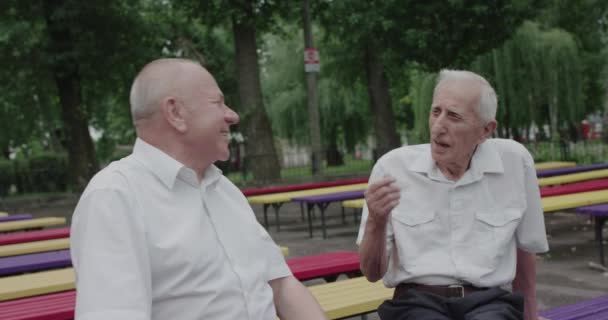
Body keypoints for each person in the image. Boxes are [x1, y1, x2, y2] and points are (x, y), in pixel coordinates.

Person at [70, 58, 327, 320]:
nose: (233, 115)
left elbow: (281, 285)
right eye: (218, 103)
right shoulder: (114, 196)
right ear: (175, 113)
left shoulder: (223, 189)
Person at [357, 70, 549, 320]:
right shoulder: (391, 169)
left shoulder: (515, 162)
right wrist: (376, 222)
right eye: (436, 112)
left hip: (489, 302)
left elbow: (525, 251)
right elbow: (372, 273)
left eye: (454, 116)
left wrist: (531, 317)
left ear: (485, 130)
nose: (438, 127)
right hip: (417, 303)